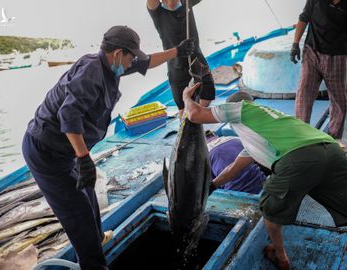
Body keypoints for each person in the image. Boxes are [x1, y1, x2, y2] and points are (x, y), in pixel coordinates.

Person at [22, 25, 195, 270]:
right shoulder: (92, 71)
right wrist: (83, 159)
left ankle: (97, 238)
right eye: (130, 57)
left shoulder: (111, 65)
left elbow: (147, 63)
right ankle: (93, 263)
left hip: (65, 151)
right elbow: (68, 116)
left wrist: (177, 51)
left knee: (89, 194)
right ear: (117, 53)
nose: (131, 63)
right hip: (45, 152)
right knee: (77, 214)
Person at [183, 85, 347, 270]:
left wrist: (186, 98)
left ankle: (280, 256)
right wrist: (211, 186)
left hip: (299, 158)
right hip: (332, 150)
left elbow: (195, 114)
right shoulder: (264, 131)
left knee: (269, 211)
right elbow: (232, 169)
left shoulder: (242, 107)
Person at [290, 0, 347, 144]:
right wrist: (295, 44)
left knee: (339, 100)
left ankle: (333, 139)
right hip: (312, 52)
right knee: (304, 93)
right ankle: (300, 136)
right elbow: (304, 18)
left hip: (338, 56)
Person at [147, 0, 215, 118]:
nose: (170, 2)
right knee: (182, 106)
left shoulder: (187, 2)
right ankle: (186, 129)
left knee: (207, 95)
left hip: (196, 60)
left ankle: (196, 122)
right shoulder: (158, 12)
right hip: (176, 66)